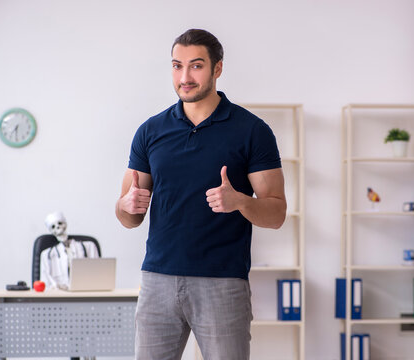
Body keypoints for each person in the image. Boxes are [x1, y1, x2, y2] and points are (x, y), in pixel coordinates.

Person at [115, 29, 286, 360]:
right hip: (157, 282)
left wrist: (240, 201)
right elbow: (129, 217)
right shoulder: (150, 131)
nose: (185, 77)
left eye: (196, 66)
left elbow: (276, 213)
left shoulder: (252, 131)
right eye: (177, 66)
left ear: (217, 69)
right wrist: (125, 205)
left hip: (222, 283)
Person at [40, 211, 99, 290]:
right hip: (59, 297)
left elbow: (97, 276)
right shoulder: (47, 254)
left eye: (60, 224)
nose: (58, 228)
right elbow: (45, 285)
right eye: (53, 227)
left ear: (65, 224)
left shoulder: (89, 246)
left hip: (85, 293)